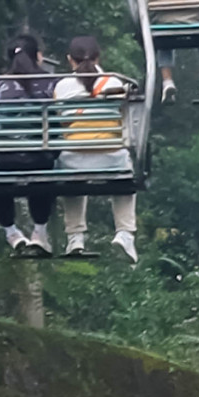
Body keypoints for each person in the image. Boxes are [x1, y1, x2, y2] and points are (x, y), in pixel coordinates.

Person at [52, 37, 139, 265]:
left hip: (73, 160)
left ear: (70, 60)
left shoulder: (61, 87)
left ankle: (75, 237)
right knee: (126, 172)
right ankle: (124, 232)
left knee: (70, 173)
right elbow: (127, 121)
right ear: (99, 57)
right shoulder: (118, 83)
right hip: (112, 159)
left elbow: (60, 124)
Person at [0, 34, 58, 256]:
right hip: (38, 160)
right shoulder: (50, 82)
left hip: (0, 161)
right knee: (43, 163)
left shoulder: (1, 85)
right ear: (38, 56)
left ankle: (11, 232)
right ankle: (39, 231)